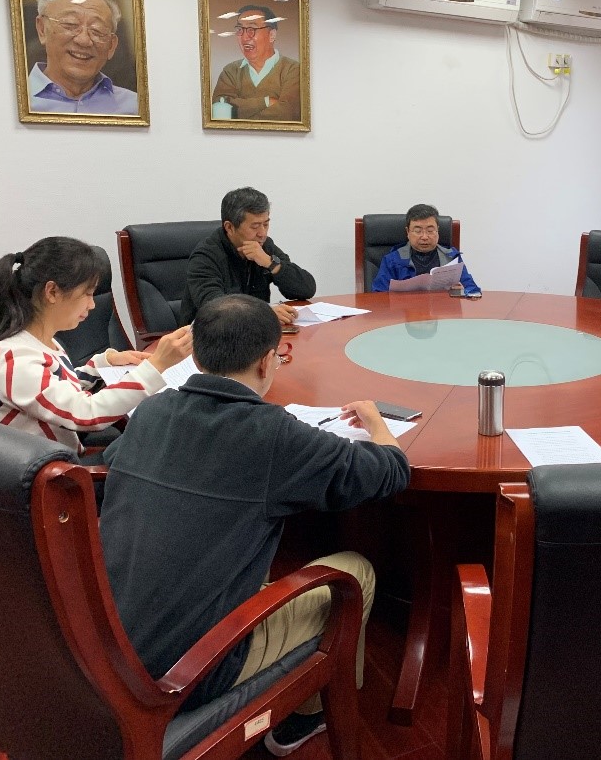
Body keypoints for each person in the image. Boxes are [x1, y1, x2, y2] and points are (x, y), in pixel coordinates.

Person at [99, 294, 409, 756]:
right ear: (267, 361)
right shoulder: (273, 433)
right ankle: (310, 715)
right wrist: (378, 427)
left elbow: (113, 462)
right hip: (189, 673)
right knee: (356, 571)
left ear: (197, 356)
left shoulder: (149, 412)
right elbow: (389, 472)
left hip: (107, 648)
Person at [0, 237, 193, 456]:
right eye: (87, 294)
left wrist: (101, 364)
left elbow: (59, 387)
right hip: (41, 475)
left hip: (51, 458)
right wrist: (157, 365)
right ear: (52, 292)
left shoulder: (40, 343)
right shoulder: (15, 362)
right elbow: (87, 413)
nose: (92, 304)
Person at [181, 187, 316, 327]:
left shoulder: (264, 247)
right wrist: (264, 313)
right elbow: (216, 309)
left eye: (266, 224)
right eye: (255, 226)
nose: (262, 233)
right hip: (208, 335)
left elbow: (307, 289)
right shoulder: (205, 257)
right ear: (229, 227)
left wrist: (271, 264)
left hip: (254, 332)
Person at [28, 0, 139, 115]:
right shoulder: (12, 99)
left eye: (97, 30)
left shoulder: (136, 107)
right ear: (42, 29)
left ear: (111, 46)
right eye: (71, 24)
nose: (84, 40)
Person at [211, 5, 302, 122]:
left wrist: (240, 112)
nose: (244, 37)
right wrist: (265, 102)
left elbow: (288, 114)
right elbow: (218, 109)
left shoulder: (293, 70)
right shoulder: (231, 71)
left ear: (272, 35)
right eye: (239, 30)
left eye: (251, 29)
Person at [371, 203, 481, 297]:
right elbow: (378, 296)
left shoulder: (451, 258)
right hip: (405, 313)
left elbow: (474, 291)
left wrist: (462, 291)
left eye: (430, 230)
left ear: (437, 230)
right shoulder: (392, 260)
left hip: (442, 313)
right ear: (408, 232)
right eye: (418, 231)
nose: (424, 237)